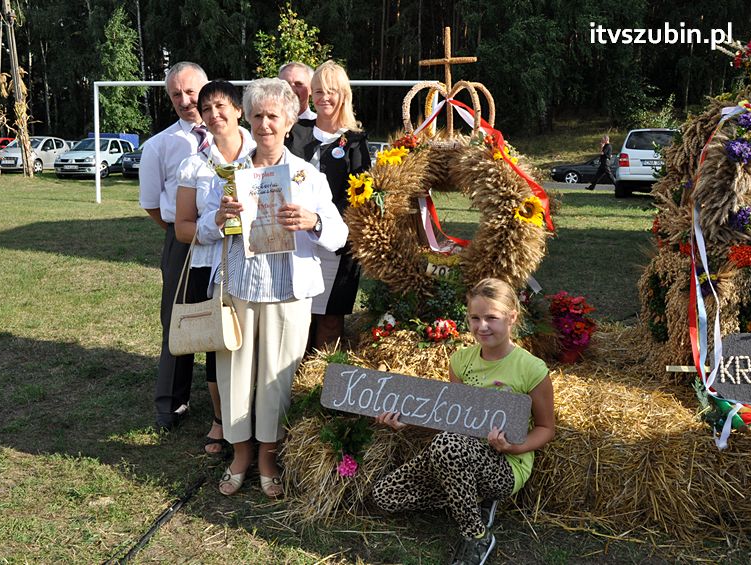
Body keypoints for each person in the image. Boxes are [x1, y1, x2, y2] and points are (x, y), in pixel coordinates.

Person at [196, 78, 348, 498]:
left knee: (275, 380)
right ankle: (240, 453)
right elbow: (206, 230)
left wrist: (312, 222)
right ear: (248, 116)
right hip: (239, 289)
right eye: (258, 115)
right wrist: (221, 217)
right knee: (235, 375)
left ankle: (268, 455)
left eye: (273, 116)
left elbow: (338, 233)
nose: (264, 124)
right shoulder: (231, 174)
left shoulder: (307, 176)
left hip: (289, 292)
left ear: (289, 121)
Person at [372, 278, 555, 565]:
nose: (482, 326)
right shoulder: (460, 361)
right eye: (475, 318)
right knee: (385, 496)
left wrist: (512, 448)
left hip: (505, 465)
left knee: (447, 445)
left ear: (512, 318)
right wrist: (406, 421)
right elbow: (452, 418)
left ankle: (477, 535)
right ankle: (470, 498)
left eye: (491, 318)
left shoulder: (531, 369)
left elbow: (546, 428)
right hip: (458, 451)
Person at [174, 80, 255, 454]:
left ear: (239, 109)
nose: (214, 114)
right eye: (206, 109)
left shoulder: (264, 155)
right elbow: (182, 227)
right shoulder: (194, 164)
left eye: (221, 106)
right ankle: (221, 419)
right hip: (209, 265)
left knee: (254, 339)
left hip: (257, 263)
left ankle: (257, 418)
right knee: (216, 341)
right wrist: (215, 224)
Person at [138, 61, 209, 431]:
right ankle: (171, 403)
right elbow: (152, 203)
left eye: (191, 91)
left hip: (228, 241)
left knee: (224, 314)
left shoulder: (236, 137)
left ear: (207, 87)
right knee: (177, 321)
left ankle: (224, 401)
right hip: (181, 242)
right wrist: (180, 230)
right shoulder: (159, 145)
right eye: (176, 94)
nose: (185, 100)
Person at [286, 60, 370, 350]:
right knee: (296, 317)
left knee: (330, 319)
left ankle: (316, 383)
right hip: (294, 239)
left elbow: (362, 195)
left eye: (331, 91)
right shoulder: (294, 132)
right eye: (318, 91)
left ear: (343, 94)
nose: (323, 98)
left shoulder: (356, 141)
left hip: (337, 244)